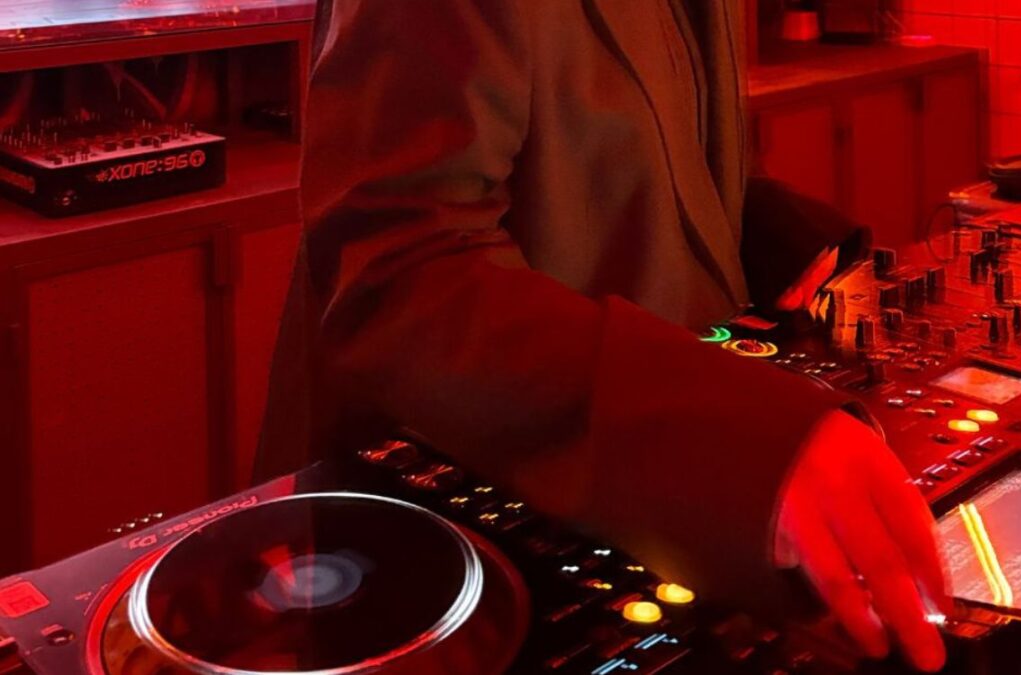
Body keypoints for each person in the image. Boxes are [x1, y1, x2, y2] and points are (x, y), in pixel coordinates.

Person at [259, 1, 950, 671]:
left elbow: (637, 138)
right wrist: (731, 435)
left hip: (615, 525)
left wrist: (773, 233)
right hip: (444, 559)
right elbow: (403, 276)